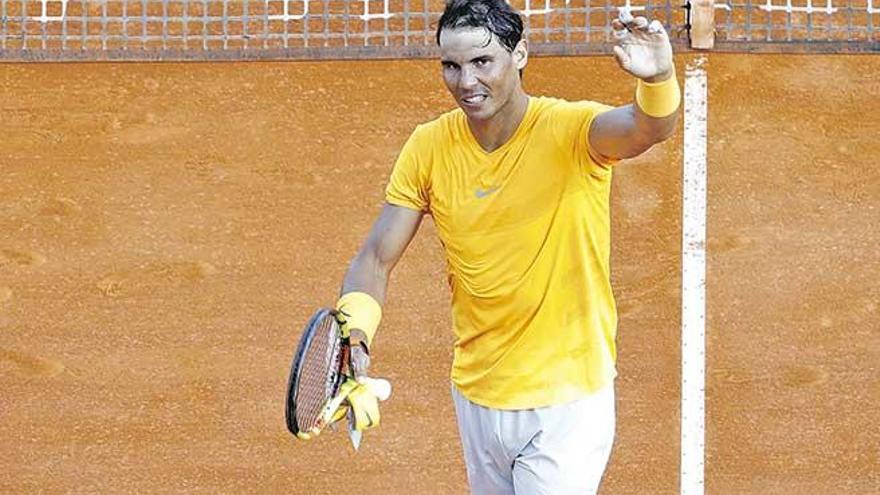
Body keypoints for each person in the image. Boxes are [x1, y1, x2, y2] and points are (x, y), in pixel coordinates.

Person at [328, 0, 680, 493]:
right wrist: (356, 333)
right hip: (477, 392)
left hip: (564, 400)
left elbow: (648, 129)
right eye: (451, 66)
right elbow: (375, 257)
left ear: (520, 54)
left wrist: (658, 77)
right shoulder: (429, 146)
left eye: (481, 62)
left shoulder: (572, 130)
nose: (466, 82)